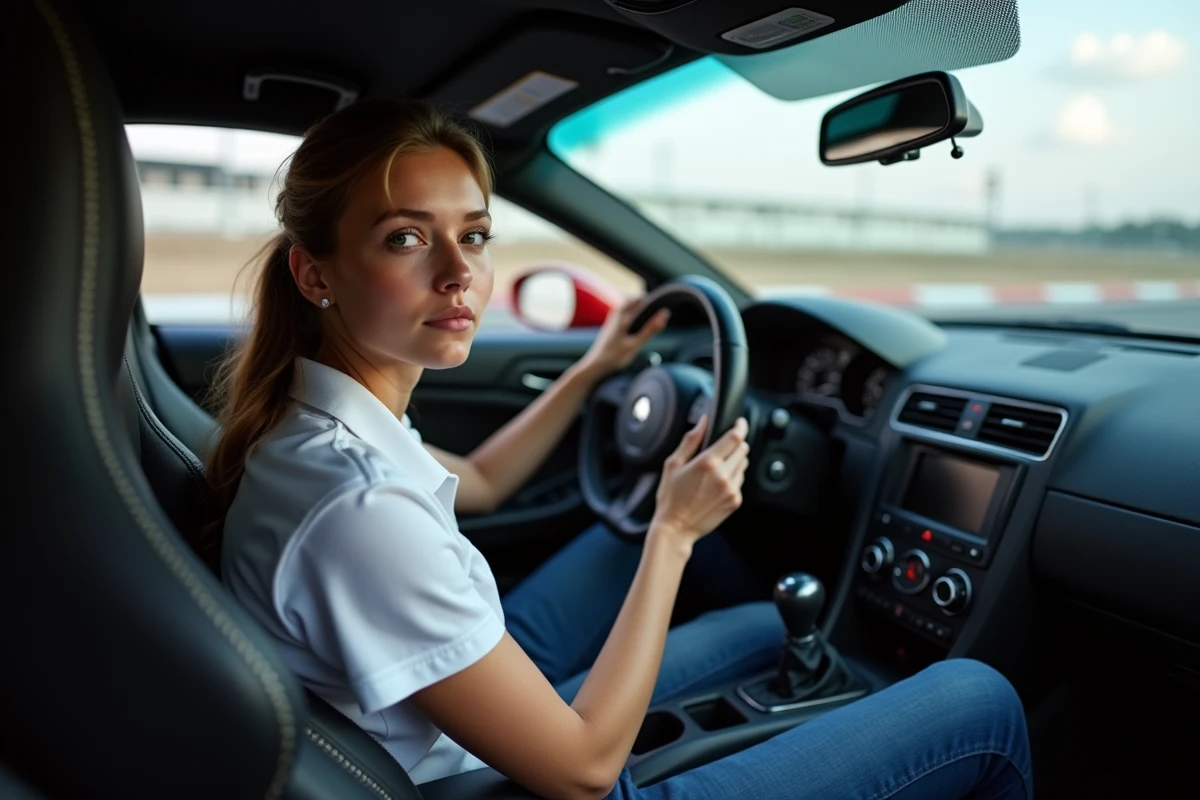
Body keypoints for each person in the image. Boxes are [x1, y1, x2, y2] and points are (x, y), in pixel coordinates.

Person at [207, 98, 1033, 799]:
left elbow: (485, 480)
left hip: (455, 740)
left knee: (758, 624)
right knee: (981, 698)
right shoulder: (361, 510)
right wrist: (673, 533)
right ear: (315, 276)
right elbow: (585, 772)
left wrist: (596, 366)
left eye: (478, 234)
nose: (459, 271)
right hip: (516, 780)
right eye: (405, 238)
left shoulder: (314, 429)